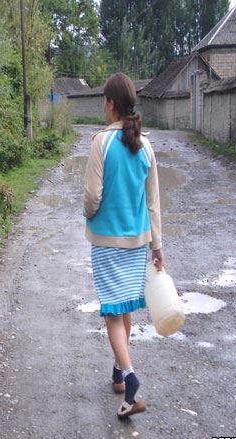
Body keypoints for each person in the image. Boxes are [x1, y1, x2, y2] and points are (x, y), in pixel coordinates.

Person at [83, 73, 164, 418]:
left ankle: (129, 380)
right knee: (125, 306)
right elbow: (153, 202)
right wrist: (157, 245)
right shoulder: (145, 145)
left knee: (113, 313)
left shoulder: (101, 142)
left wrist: (89, 213)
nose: (103, 106)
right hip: (137, 242)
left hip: (106, 241)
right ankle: (118, 371)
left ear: (112, 103)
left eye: (104, 100)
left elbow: (91, 197)